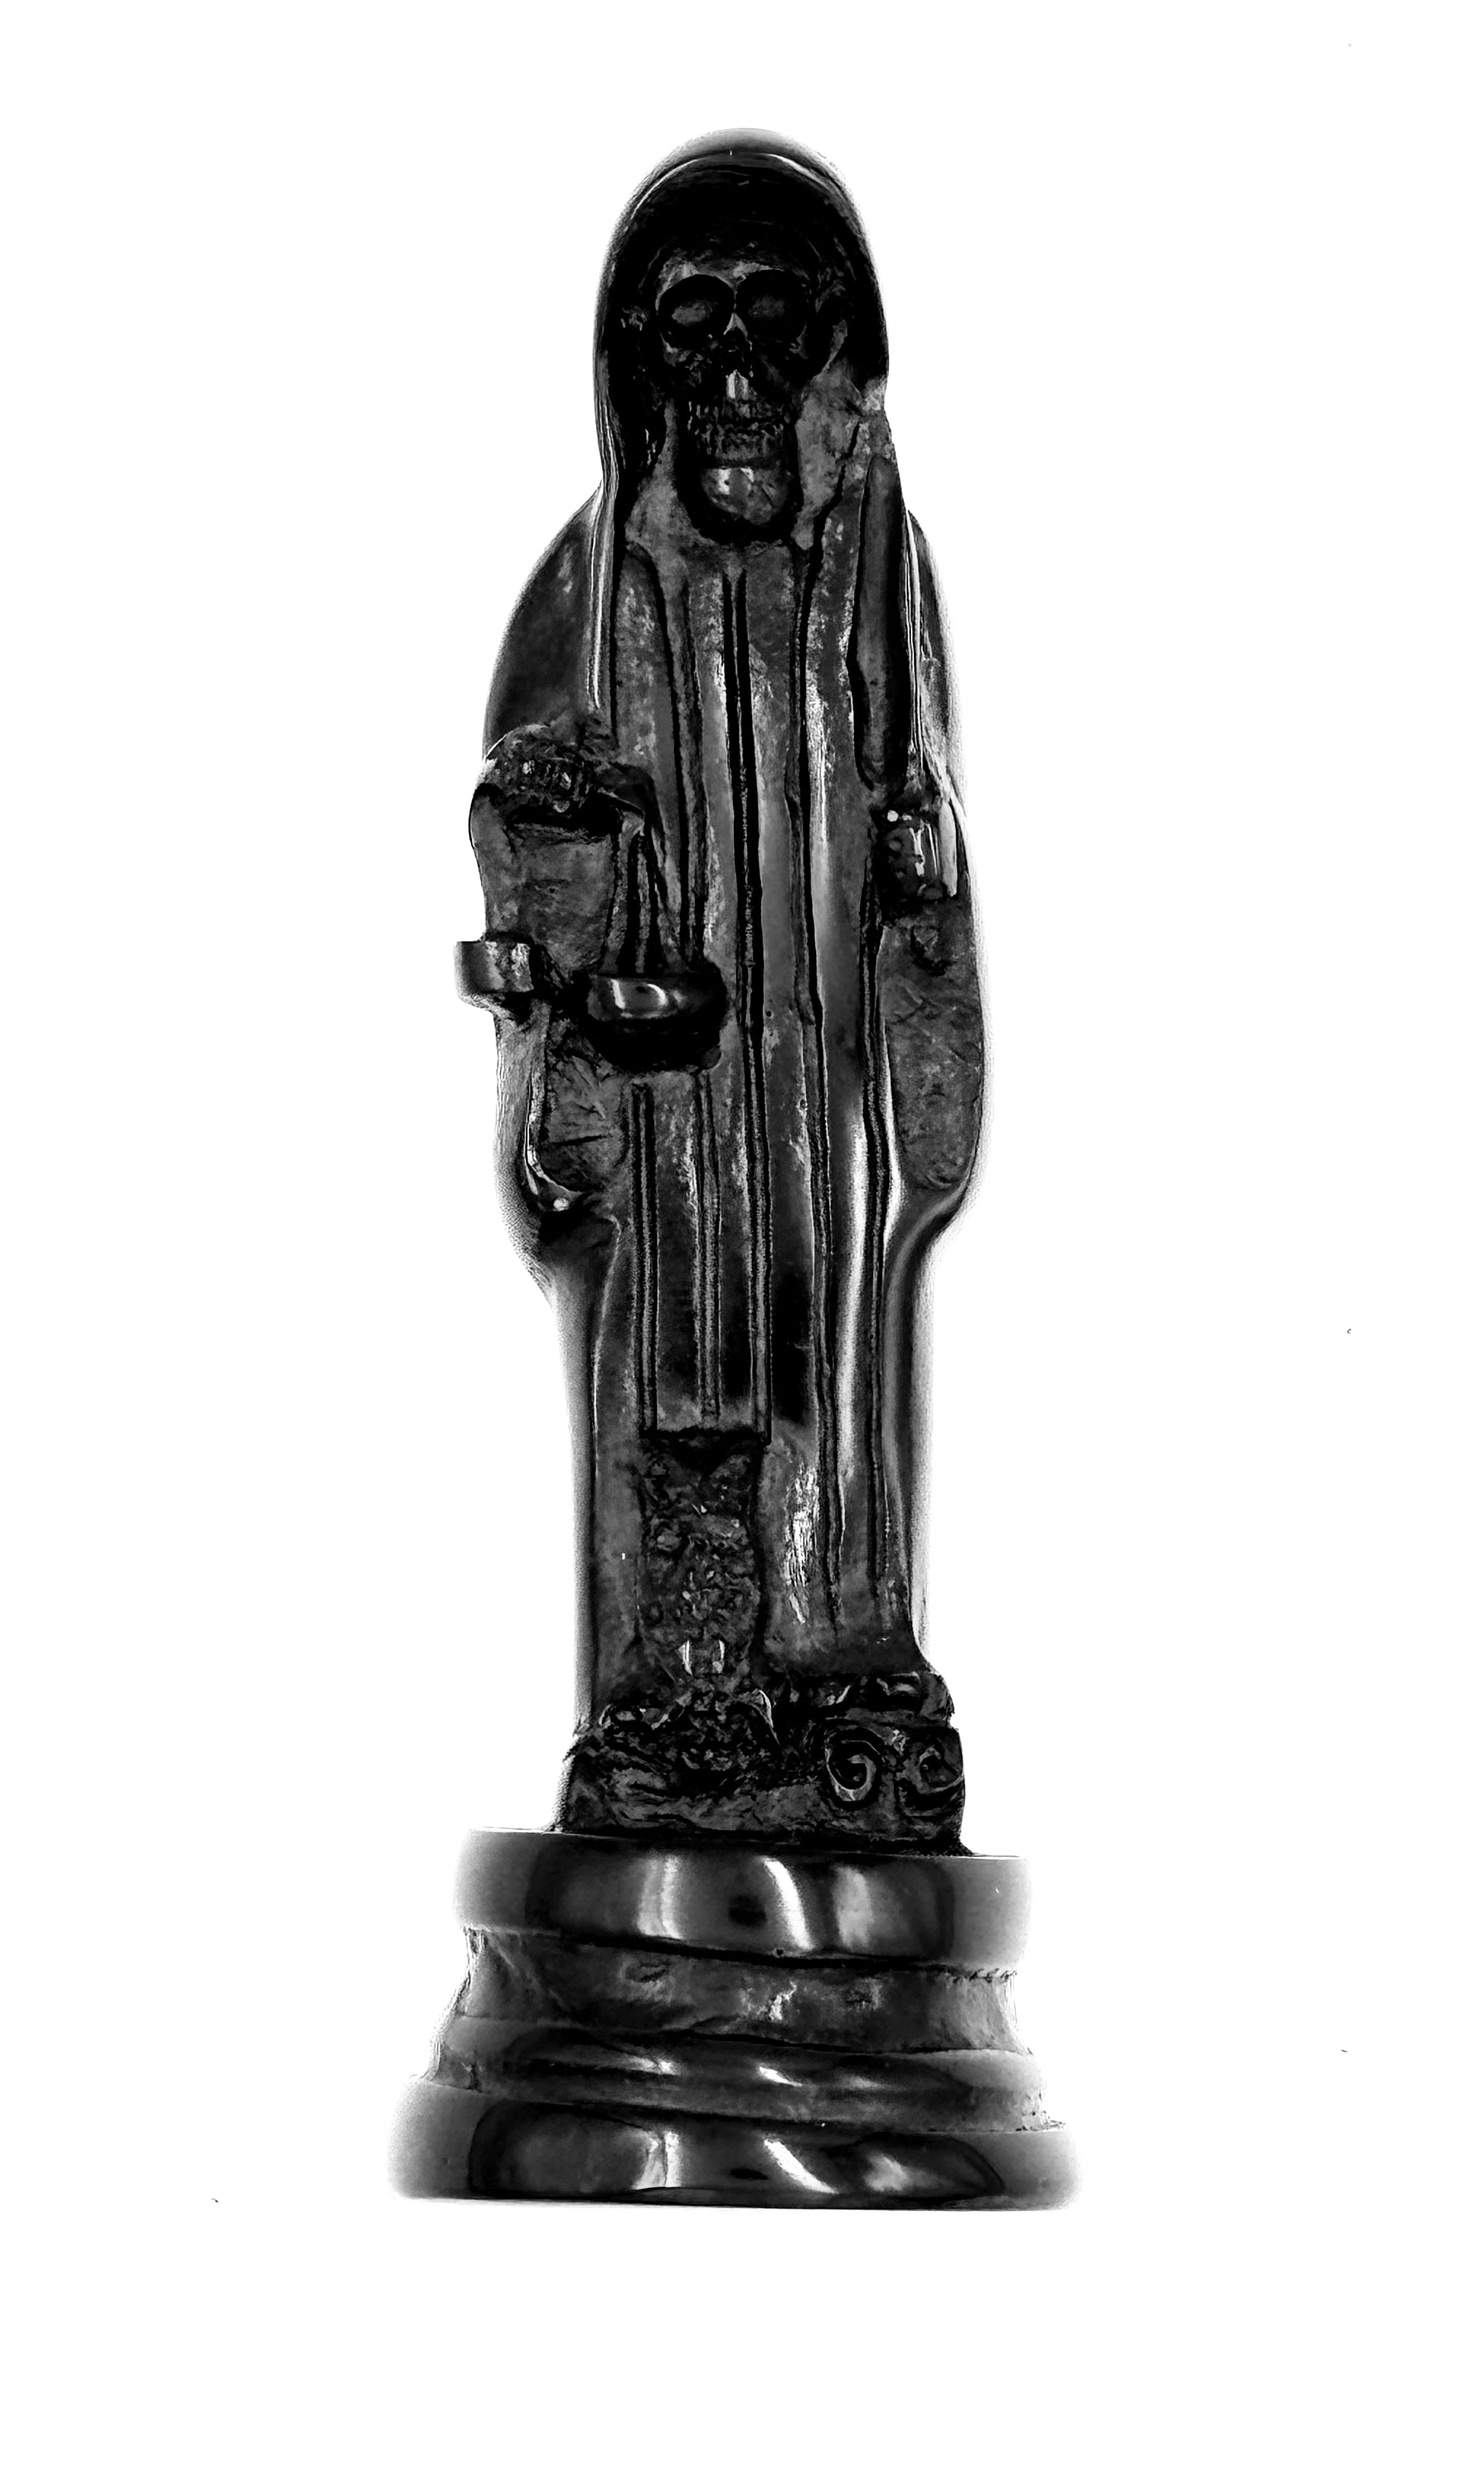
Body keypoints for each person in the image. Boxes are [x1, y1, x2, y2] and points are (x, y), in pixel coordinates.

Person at [461, 134, 984, 1844]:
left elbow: (922, 835)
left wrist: (921, 879)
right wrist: (565, 910)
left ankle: (843, 1667)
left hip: (822, 1082)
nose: (740, 373)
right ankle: (680, 1698)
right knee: (680, 1376)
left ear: (839, 355)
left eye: (779, 321)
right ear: (642, 365)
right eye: (696, 326)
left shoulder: (880, 576)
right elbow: (524, 827)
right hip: (679, 1096)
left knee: (834, 1351)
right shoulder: (586, 592)